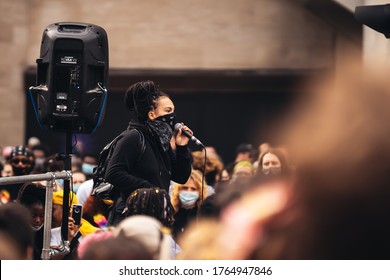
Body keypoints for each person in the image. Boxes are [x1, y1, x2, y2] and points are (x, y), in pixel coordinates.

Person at [105, 80, 192, 225]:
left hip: (156, 215)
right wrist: (150, 188)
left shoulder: (161, 141)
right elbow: (113, 173)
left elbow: (181, 177)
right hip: (131, 217)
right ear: (151, 114)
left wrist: (181, 148)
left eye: (173, 111)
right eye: (168, 111)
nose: (173, 116)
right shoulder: (132, 137)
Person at [171, 170, 207, 241]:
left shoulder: (203, 216)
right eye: (185, 188)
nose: (189, 191)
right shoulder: (170, 212)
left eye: (193, 189)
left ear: (200, 192)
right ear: (178, 190)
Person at [16, 182, 46, 259]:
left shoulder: (48, 232)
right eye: (33, 215)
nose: (38, 220)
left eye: (42, 216)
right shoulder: (14, 232)